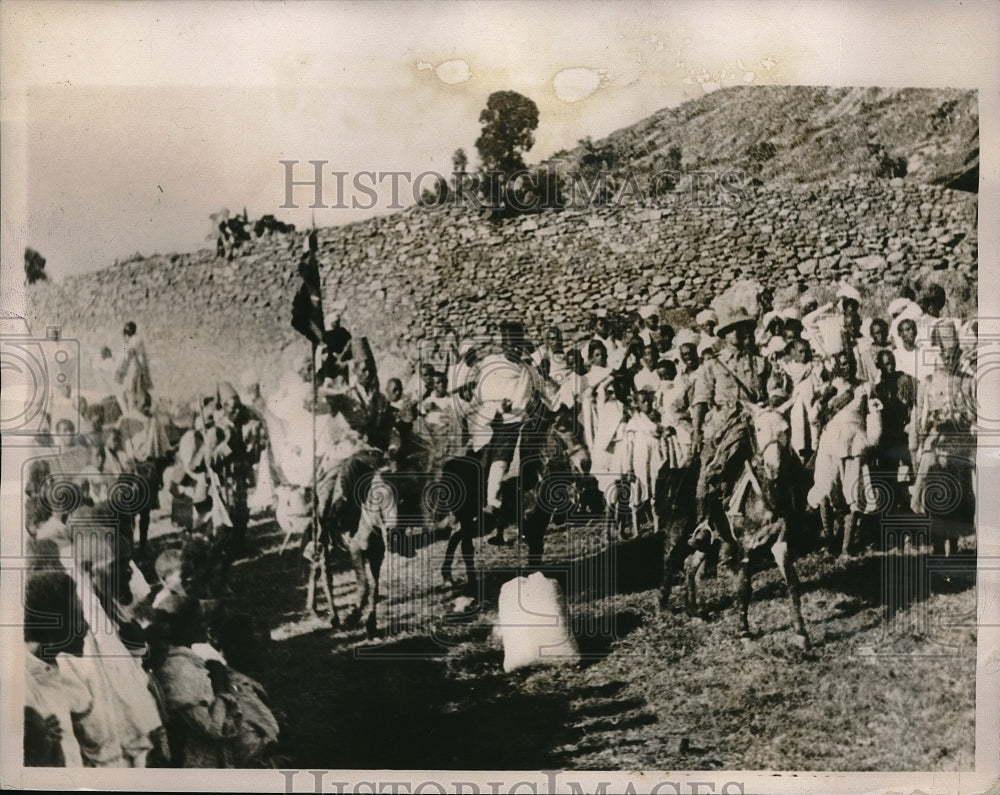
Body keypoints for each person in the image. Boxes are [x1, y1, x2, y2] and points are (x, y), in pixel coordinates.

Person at [689, 306, 770, 567]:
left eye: (744, 327)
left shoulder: (759, 361)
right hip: (723, 426)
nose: (740, 332)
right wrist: (696, 432)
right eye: (734, 328)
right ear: (725, 334)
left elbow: (775, 388)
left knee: (779, 460)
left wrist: (771, 404)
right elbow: (701, 400)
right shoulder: (713, 364)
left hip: (755, 421)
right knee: (711, 472)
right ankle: (704, 527)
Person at [115, 322, 153, 415]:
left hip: (131, 371)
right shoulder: (137, 341)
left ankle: (129, 414)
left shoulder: (131, 343)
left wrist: (119, 371)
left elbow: (124, 357)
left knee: (127, 393)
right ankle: (131, 413)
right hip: (136, 370)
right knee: (131, 393)